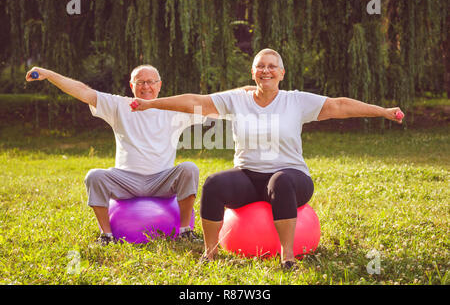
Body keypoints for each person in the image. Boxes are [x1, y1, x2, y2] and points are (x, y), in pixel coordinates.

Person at [129, 48, 404, 269]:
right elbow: (194, 101)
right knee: (213, 183)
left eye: (272, 66)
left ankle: (287, 257)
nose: (266, 70)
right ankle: (209, 253)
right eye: (261, 66)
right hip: (248, 176)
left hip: (292, 177)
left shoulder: (296, 101)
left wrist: (382, 111)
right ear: (253, 73)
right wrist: (152, 103)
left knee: (280, 181)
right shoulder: (237, 100)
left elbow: (339, 105)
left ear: (282, 73)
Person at [25, 65, 207, 245]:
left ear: (159, 85)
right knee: (94, 176)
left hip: (162, 180)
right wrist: (49, 74)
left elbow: (203, 106)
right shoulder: (119, 105)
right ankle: (106, 235)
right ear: (131, 86)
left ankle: (185, 232)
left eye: (151, 82)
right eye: (140, 82)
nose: (146, 87)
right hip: (126, 181)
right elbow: (83, 92)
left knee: (189, 168)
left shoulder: (172, 109)